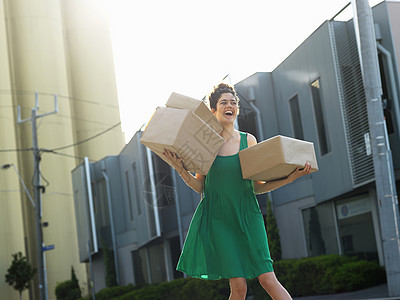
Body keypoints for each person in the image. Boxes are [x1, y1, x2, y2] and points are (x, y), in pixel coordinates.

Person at [163, 83, 311, 300]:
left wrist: (290, 177)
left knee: (267, 278)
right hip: (219, 220)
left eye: (233, 103)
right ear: (213, 110)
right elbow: (200, 186)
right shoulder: (205, 145)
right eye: (223, 103)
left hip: (248, 216)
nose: (229, 106)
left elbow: (258, 186)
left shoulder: (248, 140)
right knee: (239, 286)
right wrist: (181, 170)